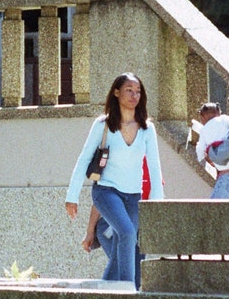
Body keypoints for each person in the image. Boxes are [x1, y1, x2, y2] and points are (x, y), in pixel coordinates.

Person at [65, 72, 164, 287]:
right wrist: (72, 196)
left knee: (127, 242)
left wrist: (157, 202)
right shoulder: (103, 124)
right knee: (127, 233)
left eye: (138, 91)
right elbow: (83, 160)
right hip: (106, 192)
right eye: (129, 90)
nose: (134, 95)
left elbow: (155, 167)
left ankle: (106, 290)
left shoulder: (147, 128)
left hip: (133, 196)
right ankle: (128, 291)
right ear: (117, 92)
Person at [193, 102, 229, 198]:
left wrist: (204, 158)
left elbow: (200, 149)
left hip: (220, 164)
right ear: (219, 112)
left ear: (202, 117)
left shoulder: (204, 130)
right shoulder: (224, 119)